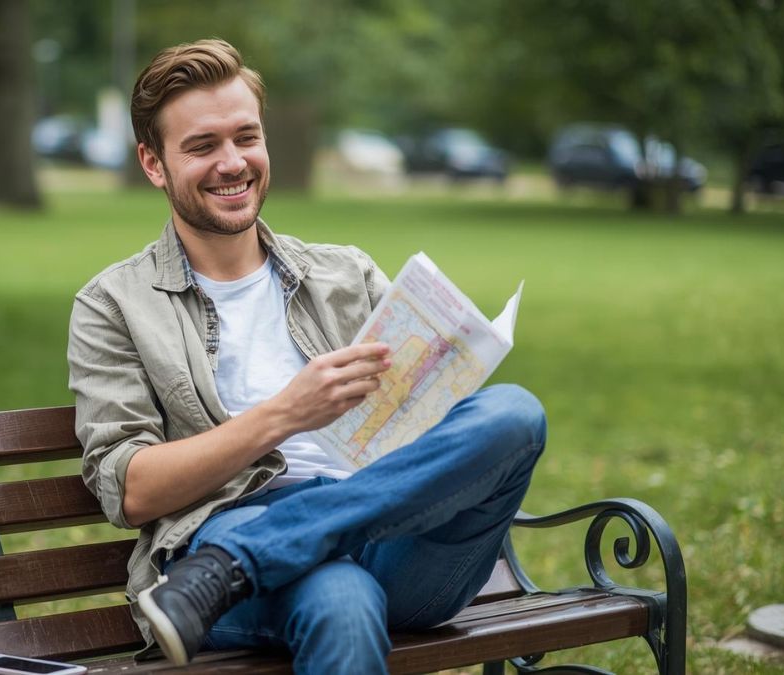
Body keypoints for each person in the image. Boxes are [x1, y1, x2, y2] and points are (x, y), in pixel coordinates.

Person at [67, 39, 546, 674]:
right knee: (340, 596)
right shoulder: (115, 305)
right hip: (226, 539)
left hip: (393, 540)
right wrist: (286, 413)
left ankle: (242, 563)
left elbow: (437, 433)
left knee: (515, 412)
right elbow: (128, 489)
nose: (233, 163)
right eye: (203, 146)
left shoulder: (345, 272)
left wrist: (441, 381)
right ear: (153, 165)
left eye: (246, 137)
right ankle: (241, 560)